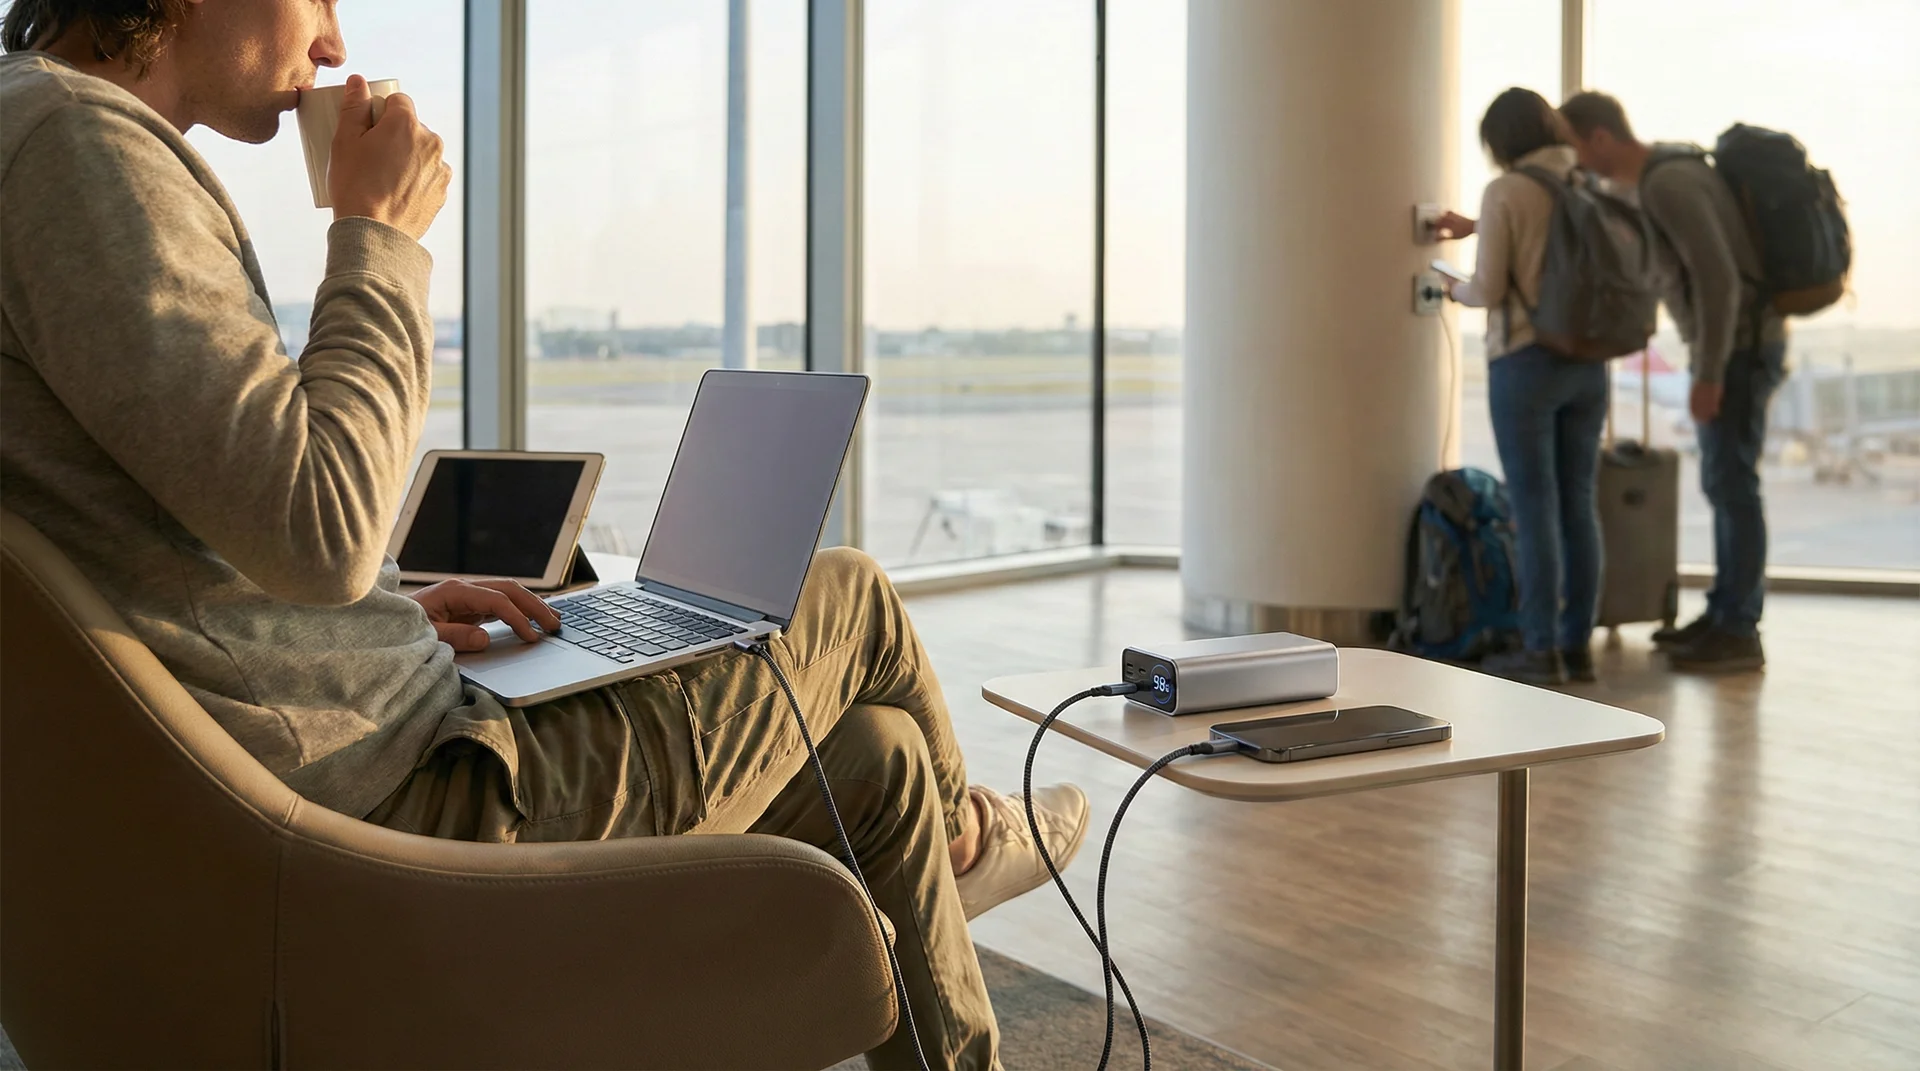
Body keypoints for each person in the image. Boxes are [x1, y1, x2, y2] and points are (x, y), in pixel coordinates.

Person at [0, 3, 1087, 1066]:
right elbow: (322, 525)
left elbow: (179, 532)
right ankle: (974, 840)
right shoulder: (80, 148)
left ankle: (949, 893)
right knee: (846, 593)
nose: (332, 43)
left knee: (877, 760)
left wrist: (387, 615)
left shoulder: (36, 135)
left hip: (342, 763)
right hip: (415, 818)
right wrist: (375, 236)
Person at [1559, 91, 1779, 673]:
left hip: (1739, 350)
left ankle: (1738, 629)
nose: (1575, 160)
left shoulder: (1668, 185)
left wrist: (1708, 373)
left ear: (1600, 137)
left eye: (1576, 146)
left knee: (1732, 484)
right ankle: (1725, 613)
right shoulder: (1656, 181)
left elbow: (1719, 282)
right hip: (1736, 347)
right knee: (1724, 482)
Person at [1432, 88, 1606, 687]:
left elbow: (1489, 290)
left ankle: (1539, 649)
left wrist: (1448, 285)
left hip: (1526, 360)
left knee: (1534, 509)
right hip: (1588, 360)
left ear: (1499, 142)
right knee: (1578, 503)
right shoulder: (1588, 181)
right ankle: (1577, 644)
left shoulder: (1505, 190)